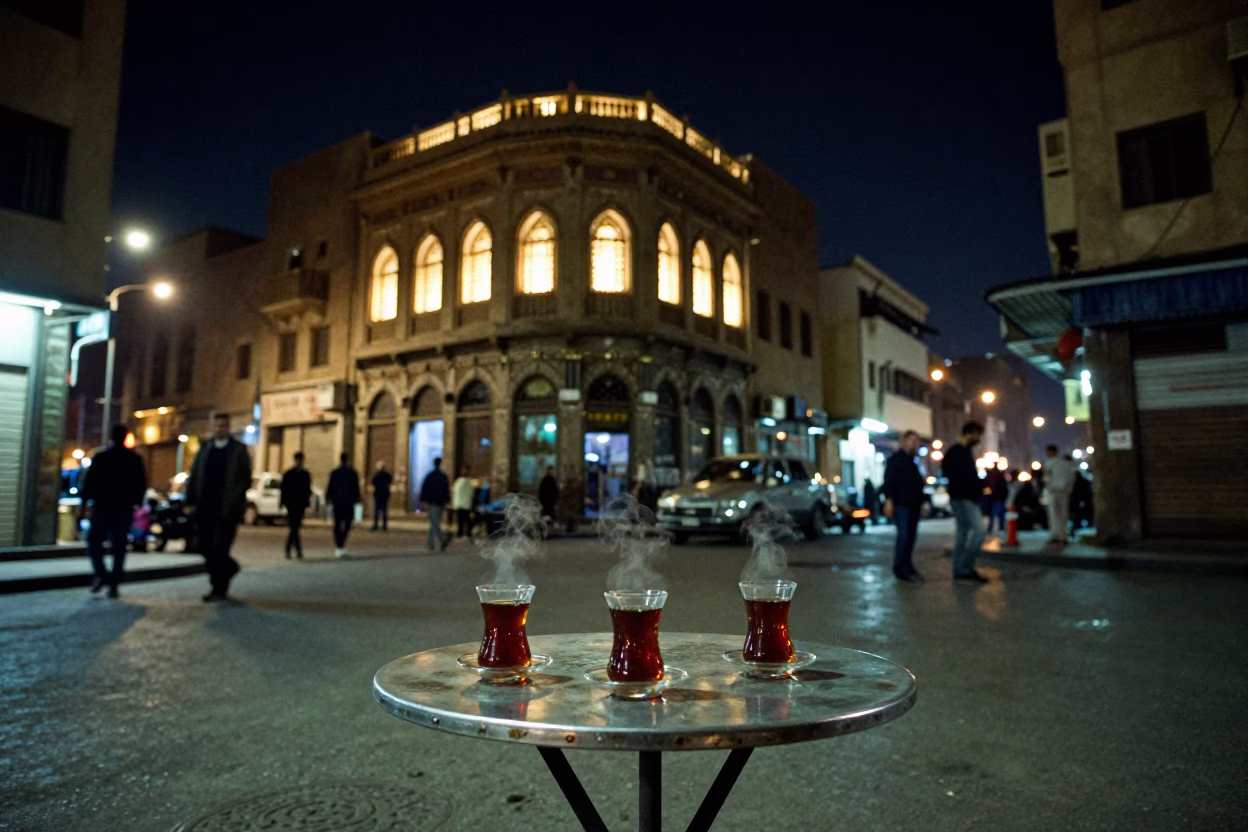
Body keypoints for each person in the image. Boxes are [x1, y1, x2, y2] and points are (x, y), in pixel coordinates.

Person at [185, 413, 252, 602]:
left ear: (228, 428)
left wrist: (235, 498)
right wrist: (190, 501)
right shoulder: (206, 448)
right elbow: (195, 474)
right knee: (204, 546)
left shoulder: (238, 450)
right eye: (216, 426)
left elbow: (244, 478)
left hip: (227, 509)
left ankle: (218, 588)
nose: (219, 429)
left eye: (223, 426)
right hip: (205, 507)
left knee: (221, 548)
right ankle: (230, 569)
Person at [81, 423, 147, 598]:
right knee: (119, 547)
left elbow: (89, 481)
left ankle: (102, 574)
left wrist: (85, 502)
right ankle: (114, 583)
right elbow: (141, 483)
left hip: (102, 507)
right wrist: (136, 503)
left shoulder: (101, 457)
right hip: (123, 509)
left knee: (94, 542)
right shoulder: (134, 459)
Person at [942, 420, 988, 583]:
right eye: (977, 435)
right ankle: (966, 567)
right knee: (980, 530)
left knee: (962, 534)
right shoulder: (957, 452)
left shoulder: (964, 451)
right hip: (963, 498)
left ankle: (959, 569)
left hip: (963, 497)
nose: (979, 439)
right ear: (970, 433)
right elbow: (951, 473)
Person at [881, 431, 926, 582]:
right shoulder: (896, 460)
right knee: (904, 536)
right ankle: (900, 567)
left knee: (911, 536)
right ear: (904, 442)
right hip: (902, 504)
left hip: (913, 504)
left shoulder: (912, 462)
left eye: (917, 441)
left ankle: (907, 565)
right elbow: (889, 481)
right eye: (912, 440)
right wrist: (888, 500)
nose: (915, 444)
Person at [327, 453, 361, 557]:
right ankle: (340, 544)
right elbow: (356, 488)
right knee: (347, 524)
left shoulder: (334, 473)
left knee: (337, 524)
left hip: (337, 502)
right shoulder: (353, 473)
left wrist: (328, 498)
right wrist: (357, 499)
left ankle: (339, 545)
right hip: (348, 502)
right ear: (348, 460)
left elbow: (330, 487)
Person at [280, 452, 312, 559]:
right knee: (294, 528)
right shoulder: (289, 474)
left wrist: (307, 503)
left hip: (300, 505)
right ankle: (295, 550)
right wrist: (282, 502)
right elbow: (284, 489)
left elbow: (307, 490)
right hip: (291, 504)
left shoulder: (305, 474)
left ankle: (292, 550)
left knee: (295, 528)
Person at [1043, 445, 1077, 545]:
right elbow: (1072, 477)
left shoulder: (1050, 463)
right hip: (1064, 491)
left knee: (1054, 514)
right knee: (1063, 513)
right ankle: (1063, 535)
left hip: (1053, 491)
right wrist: (1069, 488)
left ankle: (1056, 535)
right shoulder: (1066, 464)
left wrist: (1048, 488)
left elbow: (1047, 478)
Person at [420, 457, 452, 551]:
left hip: (433, 503)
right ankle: (430, 543)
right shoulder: (443, 477)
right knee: (434, 523)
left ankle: (442, 540)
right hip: (440, 503)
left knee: (434, 523)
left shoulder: (430, 476)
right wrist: (447, 501)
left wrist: (423, 501)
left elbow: (425, 489)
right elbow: (446, 491)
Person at [983, 462, 1008, 533]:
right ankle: (999, 528)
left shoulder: (997, 476)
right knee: (996, 514)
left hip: (997, 498)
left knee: (998, 514)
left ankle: (999, 528)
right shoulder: (995, 476)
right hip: (996, 498)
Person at [452, 467, 475, 539]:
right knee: (465, 519)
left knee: (461, 519)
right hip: (464, 503)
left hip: (460, 503)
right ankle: (466, 533)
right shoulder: (468, 481)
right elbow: (471, 493)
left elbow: (454, 491)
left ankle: (461, 533)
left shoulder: (459, 481)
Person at [371, 461, 393, 531]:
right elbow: (390, 480)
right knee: (384, 511)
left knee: (376, 511)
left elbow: (373, 482)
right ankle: (384, 526)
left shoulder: (377, 475)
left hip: (378, 494)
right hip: (385, 495)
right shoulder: (387, 475)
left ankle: (376, 525)